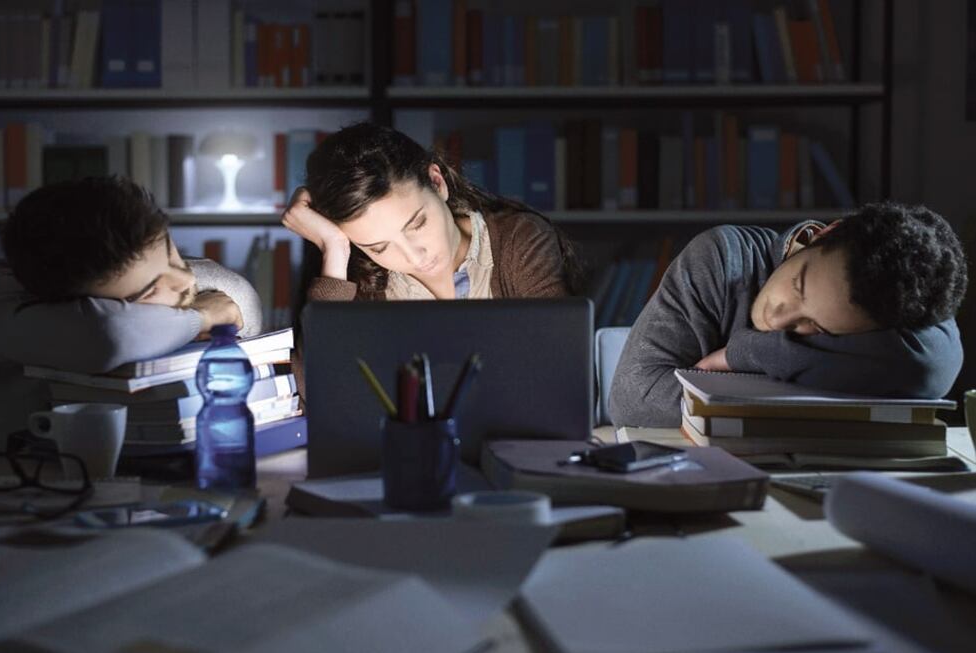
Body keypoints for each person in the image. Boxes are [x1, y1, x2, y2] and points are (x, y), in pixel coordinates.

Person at [0, 176, 262, 452]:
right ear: (70, 302)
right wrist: (202, 317)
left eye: (171, 252)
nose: (186, 281)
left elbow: (242, 299)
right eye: (150, 292)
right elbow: (107, 334)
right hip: (30, 481)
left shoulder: (150, 267)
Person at [609, 201, 967, 428]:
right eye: (798, 286)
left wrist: (748, 353)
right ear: (823, 234)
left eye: (814, 329)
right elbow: (633, 401)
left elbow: (928, 367)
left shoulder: (896, 301)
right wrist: (818, 398)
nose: (779, 322)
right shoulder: (722, 258)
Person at [281, 122, 581, 301]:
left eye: (417, 224)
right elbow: (319, 390)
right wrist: (333, 249)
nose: (414, 257)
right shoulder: (361, 277)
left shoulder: (517, 240)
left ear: (437, 183)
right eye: (379, 247)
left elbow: (558, 359)